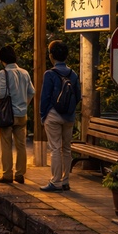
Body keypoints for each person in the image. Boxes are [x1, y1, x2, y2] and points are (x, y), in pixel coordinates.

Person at [39, 39, 82, 192]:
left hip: (53, 115)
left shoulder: (50, 74)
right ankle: (65, 181)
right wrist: (69, 109)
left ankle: (55, 182)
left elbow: (45, 97)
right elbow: (78, 96)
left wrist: (43, 116)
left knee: (56, 148)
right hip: (69, 117)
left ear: (51, 56)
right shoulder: (73, 74)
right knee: (67, 149)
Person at [0, 44, 35, 184]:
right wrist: (25, 103)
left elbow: (1, 94)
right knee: (21, 145)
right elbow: (32, 91)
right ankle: (20, 174)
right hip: (22, 114)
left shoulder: (3, 73)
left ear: (2, 60)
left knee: (6, 144)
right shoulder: (24, 72)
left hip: (8, 115)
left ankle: (7, 174)